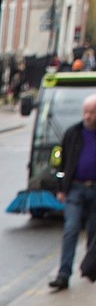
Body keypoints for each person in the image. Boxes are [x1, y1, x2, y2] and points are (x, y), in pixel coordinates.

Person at [48, 91, 96, 291]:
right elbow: (61, 163)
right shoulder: (72, 133)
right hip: (75, 188)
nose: (88, 116)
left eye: (92, 112)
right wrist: (61, 188)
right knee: (71, 229)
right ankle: (63, 274)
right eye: (86, 111)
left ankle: (90, 269)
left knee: (93, 232)